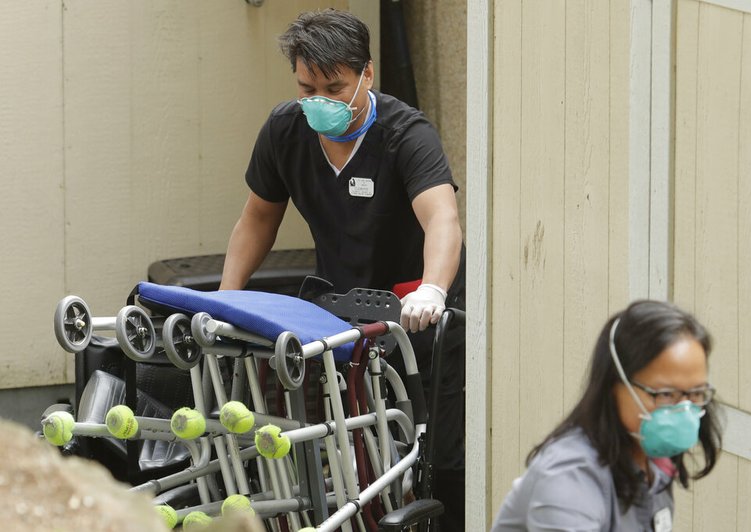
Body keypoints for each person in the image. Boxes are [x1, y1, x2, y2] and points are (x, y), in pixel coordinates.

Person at [219, 9, 466, 531]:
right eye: (309, 88)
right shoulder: (287, 130)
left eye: (336, 88)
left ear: (367, 75)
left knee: (433, 458)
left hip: (416, 315)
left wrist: (434, 288)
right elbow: (256, 219)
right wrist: (227, 299)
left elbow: (442, 216)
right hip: (344, 316)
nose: (323, 103)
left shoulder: (405, 135)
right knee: (354, 450)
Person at [492, 300, 723, 531]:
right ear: (615, 385)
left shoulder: (653, 460)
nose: (683, 410)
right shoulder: (569, 476)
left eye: (695, 393)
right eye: (664, 394)